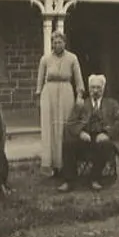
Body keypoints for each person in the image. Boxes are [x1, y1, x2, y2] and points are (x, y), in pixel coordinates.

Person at [58, 74, 119, 192]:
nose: (95, 91)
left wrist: (107, 134)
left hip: (105, 141)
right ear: (89, 89)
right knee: (68, 144)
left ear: (103, 88)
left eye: (98, 87)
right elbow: (70, 123)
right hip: (87, 139)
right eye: (93, 87)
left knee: (104, 146)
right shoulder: (82, 104)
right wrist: (80, 133)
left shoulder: (112, 104)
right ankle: (69, 181)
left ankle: (95, 179)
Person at [36, 30, 86, 178]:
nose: (57, 45)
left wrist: (80, 95)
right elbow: (40, 80)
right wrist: (38, 96)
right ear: (52, 43)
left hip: (66, 92)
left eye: (60, 42)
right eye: (55, 42)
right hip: (49, 94)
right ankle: (50, 164)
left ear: (65, 42)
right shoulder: (45, 59)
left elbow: (78, 79)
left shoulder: (72, 58)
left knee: (65, 126)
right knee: (49, 127)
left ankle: (64, 163)